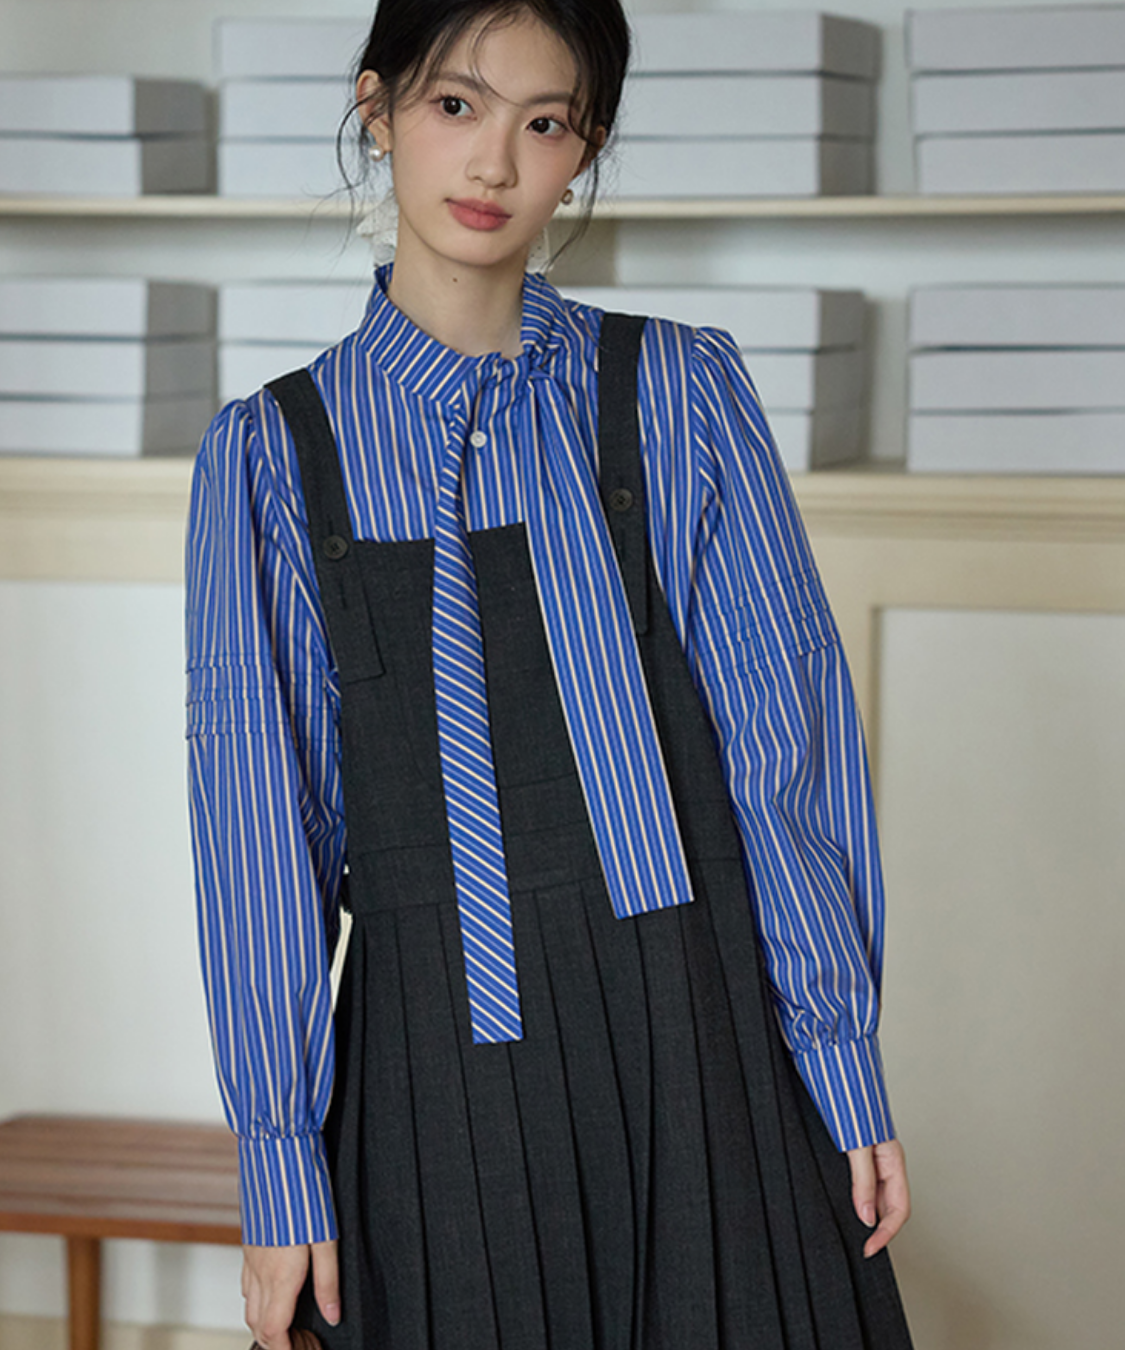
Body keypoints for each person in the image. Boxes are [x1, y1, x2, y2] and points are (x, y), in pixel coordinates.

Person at [185, 1, 913, 1347]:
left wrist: (838, 1052)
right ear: (376, 107)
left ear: (585, 148)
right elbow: (261, 838)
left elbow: (785, 747)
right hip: (436, 1082)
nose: (494, 163)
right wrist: (280, 1167)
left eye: (545, 122)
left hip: (703, 1052)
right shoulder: (271, 457)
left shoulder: (680, 392)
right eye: (456, 105)